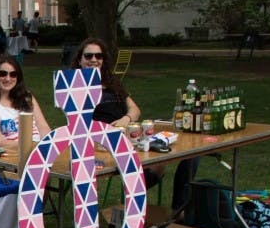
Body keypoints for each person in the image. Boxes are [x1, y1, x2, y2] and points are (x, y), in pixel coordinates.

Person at [72, 37, 196, 210]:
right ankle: (133, 196)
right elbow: (77, 122)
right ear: (80, 60)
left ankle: (177, 208)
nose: (94, 60)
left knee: (184, 156)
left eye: (98, 56)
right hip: (99, 143)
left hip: (129, 135)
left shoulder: (112, 82)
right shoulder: (73, 85)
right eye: (89, 56)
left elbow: (135, 109)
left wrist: (126, 119)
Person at [0, 54, 51, 147]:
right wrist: (31, 147)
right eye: (2, 74)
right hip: (13, 155)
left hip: (39, 151)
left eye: (13, 74)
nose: (8, 78)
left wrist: (47, 145)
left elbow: (43, 127)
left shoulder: (27, 97)